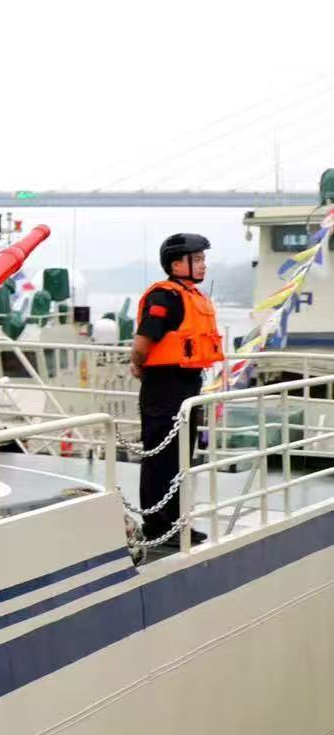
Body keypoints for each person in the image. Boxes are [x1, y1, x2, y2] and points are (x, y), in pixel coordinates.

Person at [132, 232, 220, 548]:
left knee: (182, 455)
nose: (203, 264)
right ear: (175, 264)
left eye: (203, 259)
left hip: (188, 384)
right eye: (196, 259)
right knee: (161, 455)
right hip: (164, 386)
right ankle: (157, 525)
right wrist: (137, 364)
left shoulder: (192, 295)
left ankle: (176, 521)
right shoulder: (164, 297)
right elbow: (144, 341)